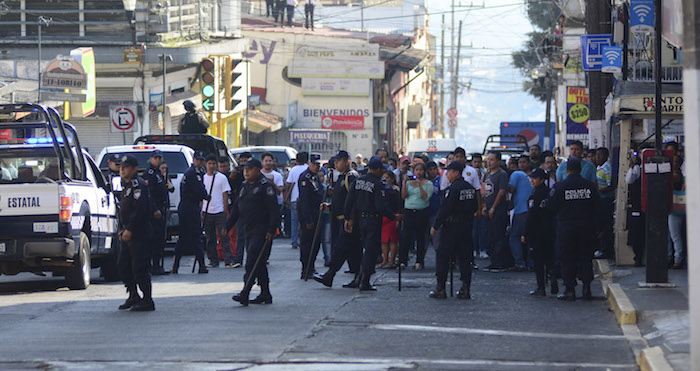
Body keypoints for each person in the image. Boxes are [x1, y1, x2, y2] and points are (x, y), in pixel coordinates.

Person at [226, 159, 279, 306]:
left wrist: (271, 230)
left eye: (249, 169)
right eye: (245, 169)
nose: (246, 172)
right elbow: (237, 207)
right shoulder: (244, 186)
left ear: (257, 169)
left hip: (261, 230)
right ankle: (265, 293)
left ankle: (245, 292)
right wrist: (228, 225)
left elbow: (274, 210)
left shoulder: (265, 186)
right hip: (247, 228)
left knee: (251, 262)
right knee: (259, 263)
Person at [549, 157, 601, 301]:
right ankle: (586, 288)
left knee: (567, 258)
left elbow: (551, 207)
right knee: (585, 257)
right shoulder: (590, 186)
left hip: (566, 227)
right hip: (586, 227)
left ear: (567, 170)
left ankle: (570, 290)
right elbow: (598, 207)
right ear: (580, 169)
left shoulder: (560, 187)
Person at [343, 156, 395, 291]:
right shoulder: (378, 184)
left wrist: (348, 218)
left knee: (364, 251)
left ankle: (359, 278)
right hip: (373, 220)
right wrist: (393, 217)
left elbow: (349, 201)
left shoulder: (358, 180)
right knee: (371, 252)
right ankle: (364, 281)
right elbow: (380, 205)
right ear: (377, 169)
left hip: (360, 220)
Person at [429, 161, 478, 299]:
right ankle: (465, 288)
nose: (447, 175)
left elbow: (445, 209)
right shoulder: (470, 188)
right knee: (465, 258)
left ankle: (440, 288)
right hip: (466, 226)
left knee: (443, 256)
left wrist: (435, 226)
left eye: (449, 172)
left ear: (456, 172)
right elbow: (475, 207)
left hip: (451, 227)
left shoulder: (453, 189)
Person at [313, 151, 362, 288]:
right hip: (340, 218)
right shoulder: (342, 177)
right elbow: (341, 199)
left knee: (340, 249)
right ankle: (359, 276)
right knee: (353, 250)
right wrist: (330, 206)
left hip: (348, 221)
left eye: (339, 161)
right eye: (335, 161)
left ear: (346, 161)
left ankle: (330, 275)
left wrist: (350, 219)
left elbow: (354, 201)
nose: (336, 164)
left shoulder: (351, 177)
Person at [117, 155, 155, 311]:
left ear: (134, 169)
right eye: (121, 167)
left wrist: (130, 229)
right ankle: (133, 295)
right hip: (127, 232)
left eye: (126, 167)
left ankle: (147, 300)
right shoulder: (126, 185)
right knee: (123, 265)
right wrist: (122, 228)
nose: (122, 169)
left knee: (139, 267)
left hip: (139, 233)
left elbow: (139, 210)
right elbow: (124, 210)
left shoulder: (138, 185)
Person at [170, 152, 209, 274]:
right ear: (194, 160)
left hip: (190, 206)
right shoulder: (192, 173)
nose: (200, 162)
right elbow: (199, 190)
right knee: (196, 236)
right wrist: (206, 196)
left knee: (185, 237)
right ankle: (201, 265)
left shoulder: (197, 172)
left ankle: (177, 266)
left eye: (202, 160)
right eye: (198, 160)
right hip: (189, 207)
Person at [521, 168, 558, 297]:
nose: (532, 180)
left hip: (537, 232)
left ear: (542, 180)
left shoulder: (535, 195)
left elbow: (531, 216)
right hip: (550, 229)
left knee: (538, 260)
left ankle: (541, 287)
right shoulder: (550, 193)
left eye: (535, 178)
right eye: (531, 178)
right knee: (549, 257)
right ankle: (552, 277)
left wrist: (525, 233)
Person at [399, 162, 433, 270]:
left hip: (421, 211)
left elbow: (426, 198)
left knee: (420, 237)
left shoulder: (428, 184)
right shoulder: (409, 183)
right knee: (405, 237)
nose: (418, 172)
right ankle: (402, 261)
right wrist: (404, 183)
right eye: (416, 170)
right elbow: (404, 196)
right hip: (409, 211)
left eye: (421, 170)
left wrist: (419, 185)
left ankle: (419, 261)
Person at [482, 151, 511, 272]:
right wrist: (484, 206)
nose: (489, 162)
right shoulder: (489, 174)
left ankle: (499, 262)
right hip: (488, 208)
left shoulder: (501, 174)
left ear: (498, 161)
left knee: (499, 236)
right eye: (488, 160)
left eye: (492, 160)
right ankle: (493, 260)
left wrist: (493, 207)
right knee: (491, 235)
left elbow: (502, 191)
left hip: (498, 209)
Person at [202, 155, 233, 268]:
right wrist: (202, 210)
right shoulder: (203, 178)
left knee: (224, 236)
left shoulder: (222, 178)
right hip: (207, 211)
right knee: (210, 237)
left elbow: (225, 195)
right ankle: (213, 260)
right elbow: (201, 196)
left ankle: (228, 260)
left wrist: (225, 211)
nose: (211, 166)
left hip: (219, 211)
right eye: (209, 163)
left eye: (213, 164)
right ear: (206, 165)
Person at [298, 154, 324, 278]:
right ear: (309, 163)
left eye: (318, 164)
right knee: (307, 243)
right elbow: (304, 201)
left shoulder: (316, 177)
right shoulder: (305, 177)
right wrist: (308, 219)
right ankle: (305, 269)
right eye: (314, 164)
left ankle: (311, 266)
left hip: (317, 213)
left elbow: (319, 193)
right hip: (308, 214)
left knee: (316, 242)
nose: (316, 166)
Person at [144, 150, 169, 275]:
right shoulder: (150, 174)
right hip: (154, 212)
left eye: (159, 158)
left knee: (160, 240)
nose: (158, 160)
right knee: (153, 240)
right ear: (151, 159)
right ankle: (152, 266)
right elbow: (149, 194)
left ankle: (157, 265)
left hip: (161, 209)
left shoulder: (159, 173)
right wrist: (154, 209)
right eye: (155, 158)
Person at [508, 156, 533, 271]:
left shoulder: (516, 174)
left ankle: (519, 262)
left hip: (520, 210)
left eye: (524, 162)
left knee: (515, 236)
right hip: (530, 209)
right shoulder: (531, 177)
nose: (521, 164)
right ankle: (531, 262)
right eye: (520, 162)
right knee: (528, 236)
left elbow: (511, 189)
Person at [594, 147, 615, 259]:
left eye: (600, 155)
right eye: (596, 155)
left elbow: (611, 186)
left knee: (606, 226)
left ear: (606, 156)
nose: (597, 158)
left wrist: (598, 190)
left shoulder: (607, 169)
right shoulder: (598, 168)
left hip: (606, 201)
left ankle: (607, 250)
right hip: (600, 201)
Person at [285, 152, 309, 250]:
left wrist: (288, 197)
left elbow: (289, 184)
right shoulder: (308, 169)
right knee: (305, 220)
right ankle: (304, 240)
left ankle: (294, 242)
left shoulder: (293, 170)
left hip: (295, 198)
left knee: (294, 221)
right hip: (306, 199)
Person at [217, 157, 238, 266]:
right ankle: (220, 253)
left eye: (224, 166)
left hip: (230, 208)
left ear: (228, 166)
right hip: (219, 209)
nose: (222, 168)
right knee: (220, 233)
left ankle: (233, 253)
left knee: (231, 233)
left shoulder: (232, 178)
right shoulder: (216, 177)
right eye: (220, 166)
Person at [380, 170, 401, 268]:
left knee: (392, 240)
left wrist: (398, 218)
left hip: (393, 215)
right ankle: (384, 260)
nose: (385, 180)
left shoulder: (396, 190)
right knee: (384, 240)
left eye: (387, 178)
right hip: (383, 216)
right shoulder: (381, 189)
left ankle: (391, 261)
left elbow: (399, 204)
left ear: (392, 179)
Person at [626, 152, 644, 266]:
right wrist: (632, 167)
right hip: (636, 205)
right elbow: (629, 180)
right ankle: (638, 257)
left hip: (645, 206)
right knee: (636, 233)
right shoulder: (637, 169)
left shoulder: (644, 169)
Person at [233, 153, 252, 265]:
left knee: (252, 237)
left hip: (253, 211)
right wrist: (233, 175)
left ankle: (252, 258)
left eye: (246, 161)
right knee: (240, 235)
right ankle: (238, 259)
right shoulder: (238, 175)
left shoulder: (258, 179)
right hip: (240, 208)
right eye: (242, 161)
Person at [668, 154, 686, 269]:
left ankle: (678, 258)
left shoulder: (677, 175)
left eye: (674, 161)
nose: (672, 163)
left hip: (675, 209)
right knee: (669, 235)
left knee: (675, 236)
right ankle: (670, 257)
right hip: (670, 208)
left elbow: (668, 179)